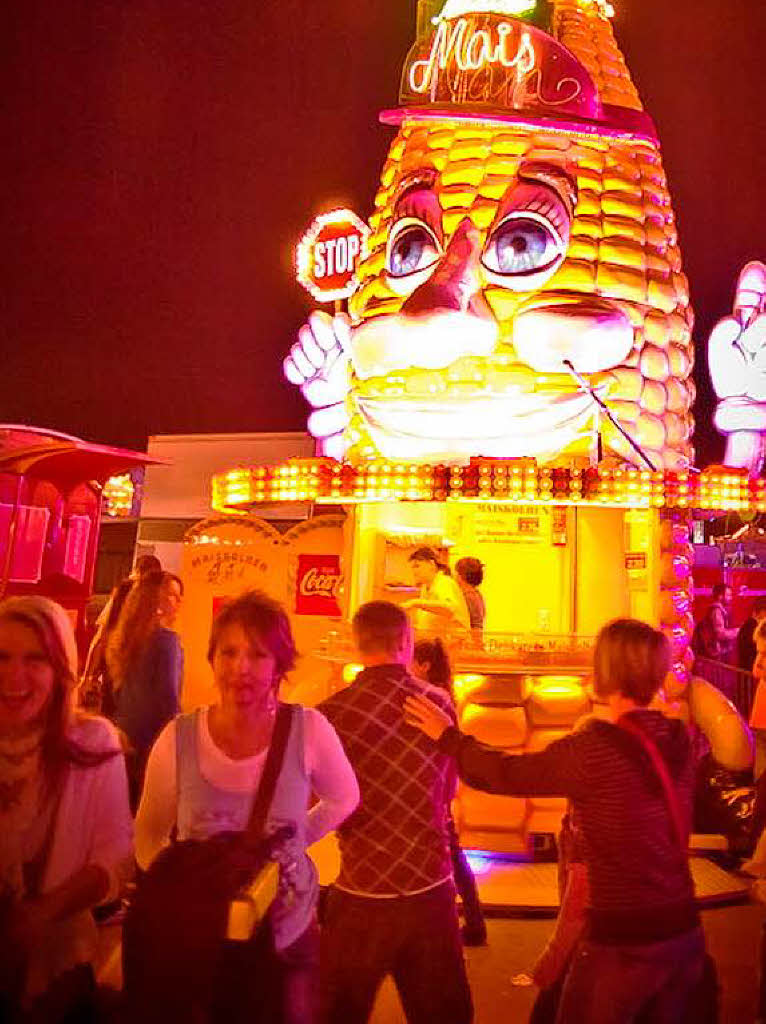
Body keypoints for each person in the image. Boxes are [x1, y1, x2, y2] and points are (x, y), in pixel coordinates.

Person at [405, 617, 706, 1024]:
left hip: (621, 939)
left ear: (605, 671)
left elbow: (507, 774)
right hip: (682, 931)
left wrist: (449, 737)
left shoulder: (594, 748)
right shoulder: (679, 737)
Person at [134, 590, 359, 1023]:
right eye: (229, 652)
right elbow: (148, 833)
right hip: (199, 939)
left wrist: (293, 842)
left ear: (279, 665)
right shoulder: (177, 738)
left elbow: (344, 797)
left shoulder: (307, 729)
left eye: (257, 654)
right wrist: (183, 891)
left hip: (287, 934)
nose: (241, 668)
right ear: (212, 659)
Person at [318, 601, 473, 1024]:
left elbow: (321, 798)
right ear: (405, 643)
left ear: (356, 644)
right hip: (430, 885)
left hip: (361, 889)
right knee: (445, 1013)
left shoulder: (330, 714)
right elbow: (448, 789)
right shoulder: (438, 703)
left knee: (337, 1012)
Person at [0, 596, 132, 1021]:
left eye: (34, 659)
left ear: (61, 670)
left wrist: (42, 913)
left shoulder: (92, 743)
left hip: (55, 973)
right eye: (2, 656)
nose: (13, 676)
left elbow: (114, 858)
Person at [411, 637, 486, 946]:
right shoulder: (443, 696)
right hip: (441, 788)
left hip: (432, 790)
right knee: (453, 856)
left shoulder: (430, 700)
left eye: (411, 662)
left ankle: (465, 923)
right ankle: (472, 921)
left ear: (424, 665)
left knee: (450, 857)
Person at [106, 570, 184, 805]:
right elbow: (169, 699)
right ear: (154, 599)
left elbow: (116, 694)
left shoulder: (125, 637)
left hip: (124, 738)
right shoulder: (167, 641)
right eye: (172, 595)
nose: (178, 602)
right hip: (154, 743)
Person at [79, 554, 162, 710]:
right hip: (138, 680)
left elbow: (101, 638)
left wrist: (88, 676)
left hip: (116, 672)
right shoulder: (156, 599)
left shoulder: (124, 592)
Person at [402, 547, 470, 635]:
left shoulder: (444, 582)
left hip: (455, 643)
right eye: (412, 568)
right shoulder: (426, 587)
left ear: (431, 564)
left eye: (417, 566)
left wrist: (415, 603)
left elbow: (449, 608)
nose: (414, 571)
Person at [693, 583, 738, 664]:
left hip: (714, 654)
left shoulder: (716, 610)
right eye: (728, 595)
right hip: (715, 655)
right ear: (720, 596)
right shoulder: (716, 611)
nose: (731, 598)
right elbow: (720, 634)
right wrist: (737, 632)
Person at [454, 558, 486, 636]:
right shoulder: (476, 594)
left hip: (470, 640)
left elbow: (476, 625)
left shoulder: (469, 596)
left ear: (460, 575)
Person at [736, 596, 766, 673]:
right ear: (762, 611)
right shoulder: (753, 626)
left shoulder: (749, 624)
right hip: (749, 671)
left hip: (747, 669)